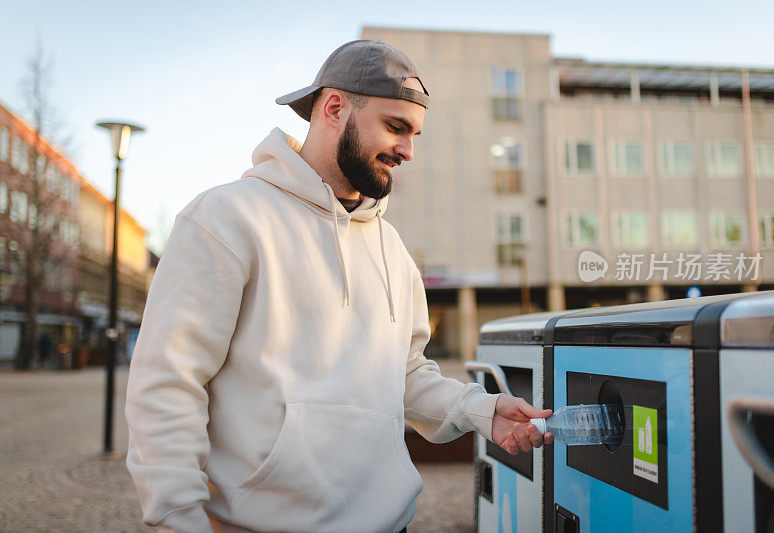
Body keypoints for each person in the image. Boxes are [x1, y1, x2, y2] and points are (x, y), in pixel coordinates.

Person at [125, 39, 553, 533]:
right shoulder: (225, 219)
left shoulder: (392, 248)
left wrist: (482, 410)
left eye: (414, 134)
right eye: (396, 128)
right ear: (333, 108)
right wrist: (179, 519)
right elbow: (167, 384)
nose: (408, 150)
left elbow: (406, 374)